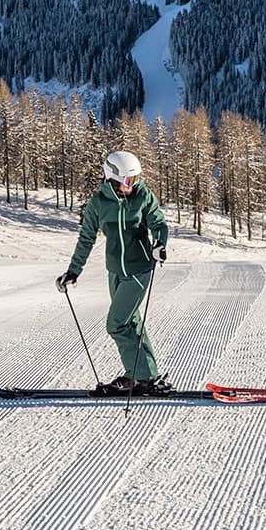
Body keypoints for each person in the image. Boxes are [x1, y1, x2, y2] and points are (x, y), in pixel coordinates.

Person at [56, 150, 172, 396]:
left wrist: (160, 244)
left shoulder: (143, 196)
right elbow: (86, 238)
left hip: (139, 270)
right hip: (115, 272)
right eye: (129, 180)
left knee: (116, 324)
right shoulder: (99, 202)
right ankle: (147, 376)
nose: (134, 184)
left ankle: (138, 377)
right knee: (131, 322)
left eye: (136, 179)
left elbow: (158, 223)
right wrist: (73, 271)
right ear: (112, 177)